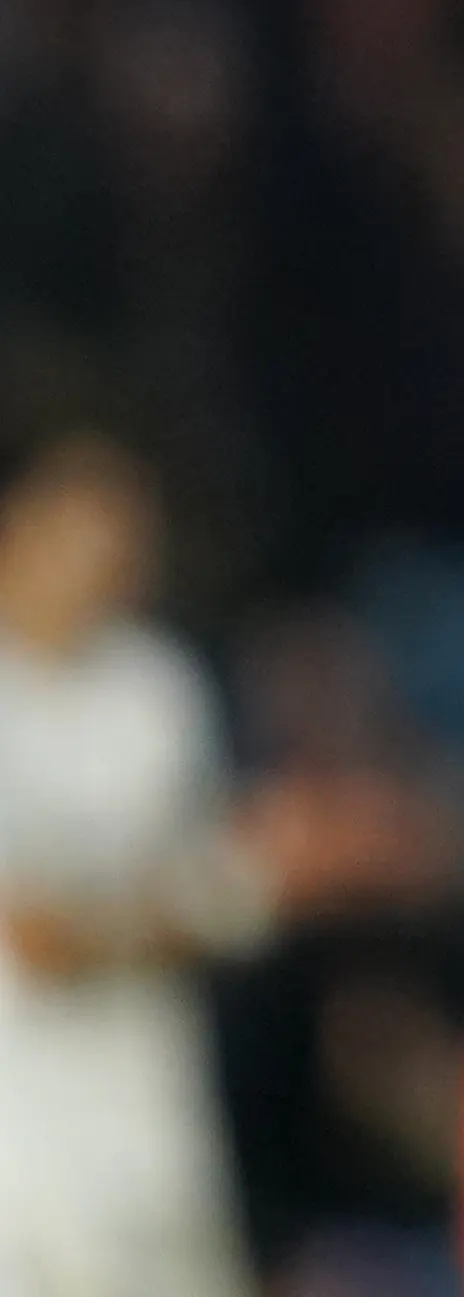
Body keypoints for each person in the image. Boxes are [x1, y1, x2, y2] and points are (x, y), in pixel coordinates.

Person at [0, 433, 273, 1297]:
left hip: (152, 1141)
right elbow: (40, 938)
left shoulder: (157, 690)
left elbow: (217, 898)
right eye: (85, 531)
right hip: (23, 1163)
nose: (107, 562)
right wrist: (212, 900)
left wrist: (201, 903)